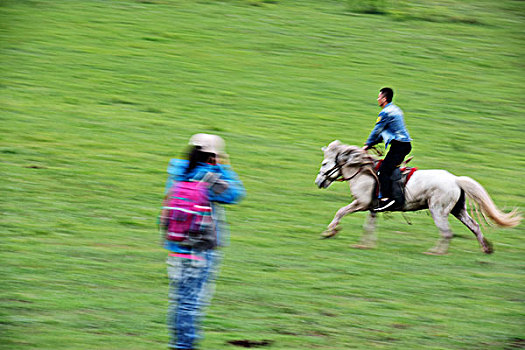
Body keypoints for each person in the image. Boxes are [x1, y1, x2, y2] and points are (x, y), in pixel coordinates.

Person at [163, 133, 245, 350]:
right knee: (193, 302)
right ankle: (184, 346)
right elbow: (235, 194)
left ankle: (178, 343)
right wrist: (223, 166)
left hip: (175, 247)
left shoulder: (177, 174)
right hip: (201, 250)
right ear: (213, 156)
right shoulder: (209, 177)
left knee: (179, 300)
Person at [363, 87, 412, 212]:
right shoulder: (395, 109)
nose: (377, 99)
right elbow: (384, 133)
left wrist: (367, 144)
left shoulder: (385, 113)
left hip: (399, 146)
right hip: (401, 145)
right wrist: (372, 143)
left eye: (379, 97)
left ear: (384, 99)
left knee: (382, 171)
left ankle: (387, 199)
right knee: (387, 167)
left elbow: (377, 130)